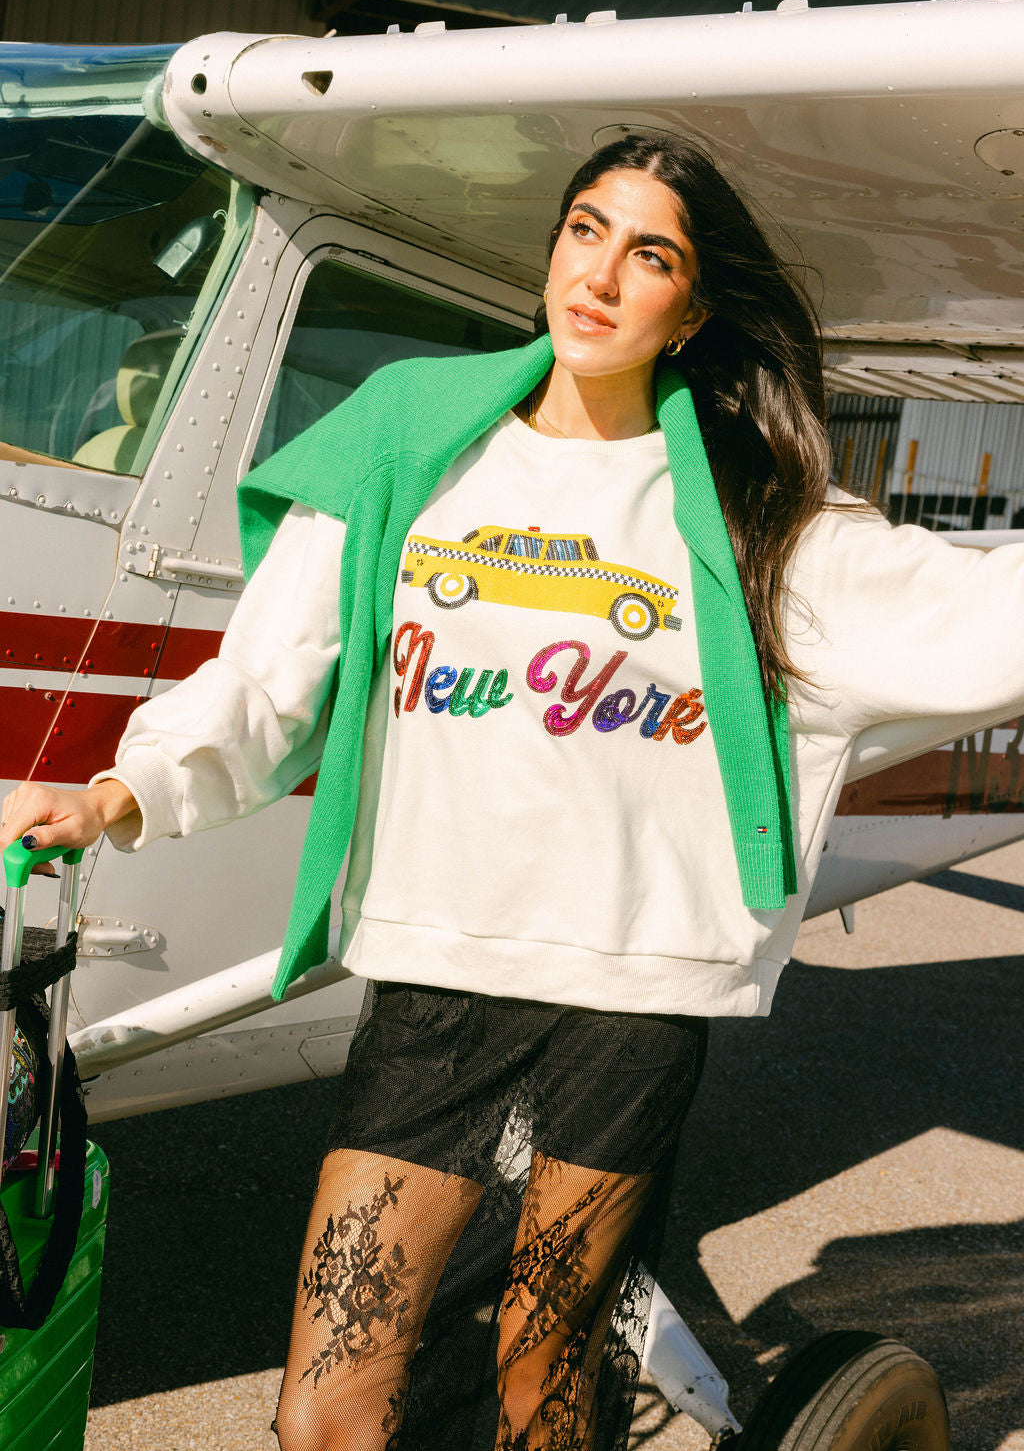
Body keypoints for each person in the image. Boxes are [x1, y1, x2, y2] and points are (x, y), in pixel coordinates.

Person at [4, 134, 1023, 1451]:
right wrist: (120, 791)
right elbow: (267, 679)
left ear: (691, 311)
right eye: (584, 230)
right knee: (326, 1409)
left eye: (649, 255)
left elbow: (984, 616)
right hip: (435, 975)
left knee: (545, 1390)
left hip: (629, 996)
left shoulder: (756, 505)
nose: (599, 276)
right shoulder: (409, 435)